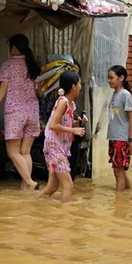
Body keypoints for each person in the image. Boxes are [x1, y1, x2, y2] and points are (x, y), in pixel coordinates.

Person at [0, 34, 40, 191]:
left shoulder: (8, 65)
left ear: (14, 47)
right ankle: (25, 188)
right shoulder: (33, 65)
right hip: (32, 113)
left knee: (13, 152)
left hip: (15, 114)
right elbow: (39, 90)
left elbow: (3, 88)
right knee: (25, 152)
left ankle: (30, 183)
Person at [38, 70, 86, 203]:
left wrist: (78, 122)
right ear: (73, 87)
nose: (81, 87)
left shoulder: (70, 104)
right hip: (54, 147)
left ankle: (34, 206)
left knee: (52, 187)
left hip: (58, 146)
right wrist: (73, 130)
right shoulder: (63, 102)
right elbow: (53, 125)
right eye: (79, 84)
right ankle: (65, 217)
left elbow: (64, 123)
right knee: (68, 185)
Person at [107, 65, 132, 192]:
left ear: (121, 78)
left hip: (121, 138)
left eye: (111, 78)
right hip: (114, 137)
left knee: (118, 171)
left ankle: (119, 202)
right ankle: (126, 196)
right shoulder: (115, 94)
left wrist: (130, 141)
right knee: (120, 171)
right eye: (108, 78)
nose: (109, 80)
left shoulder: (125, 95)